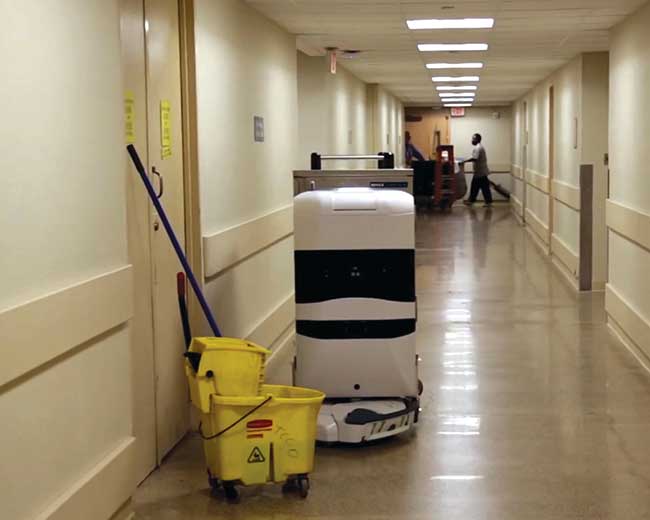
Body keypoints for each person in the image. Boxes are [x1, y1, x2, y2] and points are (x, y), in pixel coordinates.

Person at [462, 133, 492, 207]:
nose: (472, 140)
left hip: (480, 172)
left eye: (473, 138)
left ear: (478, 139)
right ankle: (486, 201)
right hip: (480, 171)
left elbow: (474, 158)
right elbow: (474, 157)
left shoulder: (478, 148)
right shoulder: (479, 147)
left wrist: (464, 161)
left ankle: (472, 201)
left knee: (477, 187)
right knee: (481, 187)